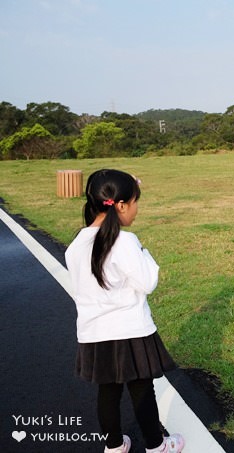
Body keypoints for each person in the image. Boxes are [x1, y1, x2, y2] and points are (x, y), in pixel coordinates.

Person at [65, 169, 184, 453]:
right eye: (134, 202)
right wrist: (144, 252)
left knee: (108, 391)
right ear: (120, 205)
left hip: (94, 333)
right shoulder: (126, 242)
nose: (136, 209)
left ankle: (114, 446)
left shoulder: (75, 245)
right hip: (131, 330)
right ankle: (157, 446)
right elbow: (147, 282)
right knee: (141, 390)